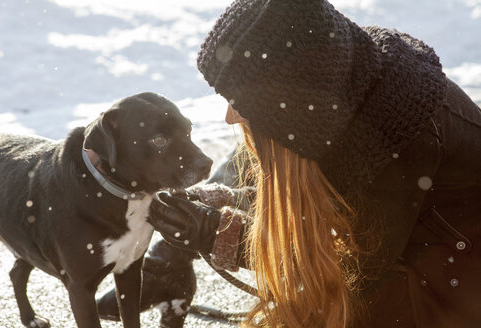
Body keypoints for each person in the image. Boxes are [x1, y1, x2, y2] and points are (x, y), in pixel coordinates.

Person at [149, 0, 481, 327]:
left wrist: (220, 234)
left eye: (239, 103)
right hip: (414, 249)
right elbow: (322, 197)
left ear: (288, 106)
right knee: (249, 157)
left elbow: (347, 270)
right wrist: (229, 202)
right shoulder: (340, 78)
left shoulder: (400, 145)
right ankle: (161, 272)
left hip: (455, 284)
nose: (228, 117)